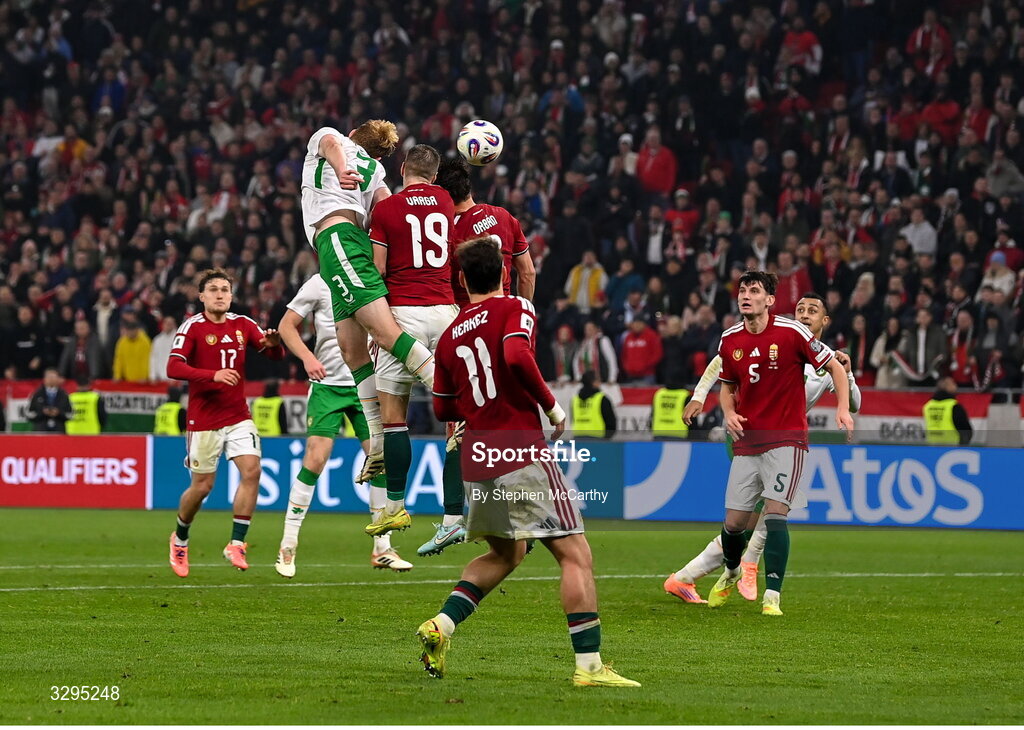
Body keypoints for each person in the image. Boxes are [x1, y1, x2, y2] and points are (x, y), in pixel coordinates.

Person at [417, 237, 638, 687]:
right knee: (575, 554)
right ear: (503, 273)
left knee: (507, 551)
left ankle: (441, 626)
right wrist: (553, 408)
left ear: (461, 279)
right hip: (518, 448)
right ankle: (590, 667)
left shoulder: (448, 337)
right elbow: (516, 354)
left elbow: (441, 409)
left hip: (477, 457)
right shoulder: (516, 307)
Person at [669, 293, 862, 603]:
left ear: (825, 321)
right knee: (767, 511)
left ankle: (686, 577)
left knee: (750, 521)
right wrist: (698, 396)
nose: (804, 314)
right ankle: (747, 565)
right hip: (746, 434)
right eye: (800, 308)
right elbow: (721, 363)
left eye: (813, 310)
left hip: (782, 441)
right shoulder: (778, 337)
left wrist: (848, 371)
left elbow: (854, 403)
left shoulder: (824, 360)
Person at [301, 121, 437, 487]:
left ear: (355, 133)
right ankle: (377, 440)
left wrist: (342, 166)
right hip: (347, 247)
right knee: (352, 350)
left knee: (385, 333)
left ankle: (448, 387)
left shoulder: (334, 139)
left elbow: (330, 143)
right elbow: (386, 209)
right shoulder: (376, 169)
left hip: (339, 238)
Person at [274, 274, 411, 577]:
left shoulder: (374, 278)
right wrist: (308, 358)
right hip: (328, 386)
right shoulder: (320, 282)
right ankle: (288, 544)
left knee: (382, 460)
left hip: (367, 383)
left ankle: (382, 548)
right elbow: (286, 325)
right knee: (315, 459)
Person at [367, 145, 464, 551]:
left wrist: (375, 324)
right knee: (456, 420)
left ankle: (394, 506)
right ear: (435, 175)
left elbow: (378, 269)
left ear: (402, 168)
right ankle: (454, 515)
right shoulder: (444, 200)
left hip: (403, 315)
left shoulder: (387, 209)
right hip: (445, 312)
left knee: (394, 418)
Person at [165, 268, 285, 578]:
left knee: (252, 470)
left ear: (231, 296)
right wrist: (212, 375)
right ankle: (179, 538)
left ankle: (237, 543)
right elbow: (173, 366)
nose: (220, 294)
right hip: (203, 419)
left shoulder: (243, 324)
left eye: (225, 289)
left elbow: (273, 355)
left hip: (237, 416)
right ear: (201, 296)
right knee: (202, 487)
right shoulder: (191, 327)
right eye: (214, 289)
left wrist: (274, 344)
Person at [923, 376, 973, 445]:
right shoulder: (954, 406)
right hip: (952, 447)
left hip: (932, 446)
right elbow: (966, 430)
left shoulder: (928, 406)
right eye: (953, 383)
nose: (956, 386)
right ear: (947, 387)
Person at [571, 370, 617, 438]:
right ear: (593, 382)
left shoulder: (575, 400)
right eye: (598, 379)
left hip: (578, 437)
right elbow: (611, 422)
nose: (600, 382)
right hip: (597, 439)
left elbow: (572, 419)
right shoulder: (602, 399)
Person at [25, 368, 72, 433]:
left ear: (58, 379)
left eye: (53, 377)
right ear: (44, 379)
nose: (51, 379)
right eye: (49, 377)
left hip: (59, 431)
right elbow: (28, 414)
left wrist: (59, 413)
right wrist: (42, 412)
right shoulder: (37, 394)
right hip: (40, 431)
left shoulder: (64, 395)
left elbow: (70, 414)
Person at [149, 316, 179, 382]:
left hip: (174, 379)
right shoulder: (157, 340)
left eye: (170, 323)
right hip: (160, 378)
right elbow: (153, 358)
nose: (168, 325)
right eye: (166, 323)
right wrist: (152, 375)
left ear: (174, 325)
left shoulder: (179, 339)